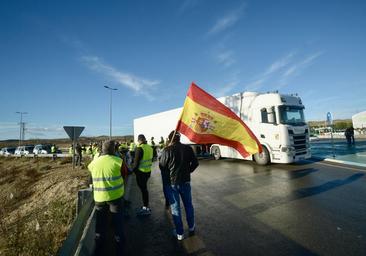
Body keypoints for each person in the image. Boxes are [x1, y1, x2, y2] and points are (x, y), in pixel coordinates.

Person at [88, 140, 128, 255]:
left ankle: (99, 250)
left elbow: (90, 179)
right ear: (113, 150)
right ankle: (120, 250)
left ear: (102, 150)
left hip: (99, 199)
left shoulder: (93, 163)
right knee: (118, 224)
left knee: (100, 225)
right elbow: (125, 174)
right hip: (116, 198)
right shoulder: (118, 161)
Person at [159, 131, 199, 240]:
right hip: (185, 182)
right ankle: (191, 227)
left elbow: (162, 167)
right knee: (188, 205)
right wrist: (188, 171)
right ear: (179, 138)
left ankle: (180, 233)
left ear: (170, 138)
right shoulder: (188, 149)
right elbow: (195, 163)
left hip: (172, 184)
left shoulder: (167, 150)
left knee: (175, 209)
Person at [133, 134, 153, 216]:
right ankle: (146, 206)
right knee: (144, 189)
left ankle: (145, 207)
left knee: (144, 189)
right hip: (148, 171)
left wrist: (133, 171)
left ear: (139, 140)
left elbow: (136, 163)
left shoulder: (139, 148)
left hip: (141, 172)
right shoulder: (150, 147)